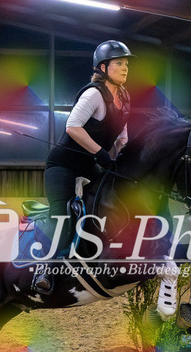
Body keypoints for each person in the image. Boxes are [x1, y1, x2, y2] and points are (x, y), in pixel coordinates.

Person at [32, 40, 134, 294]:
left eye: (126, 63)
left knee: (111, 202)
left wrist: (120, 163)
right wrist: (101, 154)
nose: (125, 68)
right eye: (119, 63)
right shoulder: (94, 94)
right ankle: (45, 269)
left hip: (90, 164)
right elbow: (73, 127)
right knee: (63, 214)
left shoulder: (124, 98)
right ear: (103, 67)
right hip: (63, 164)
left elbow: (121, 139)